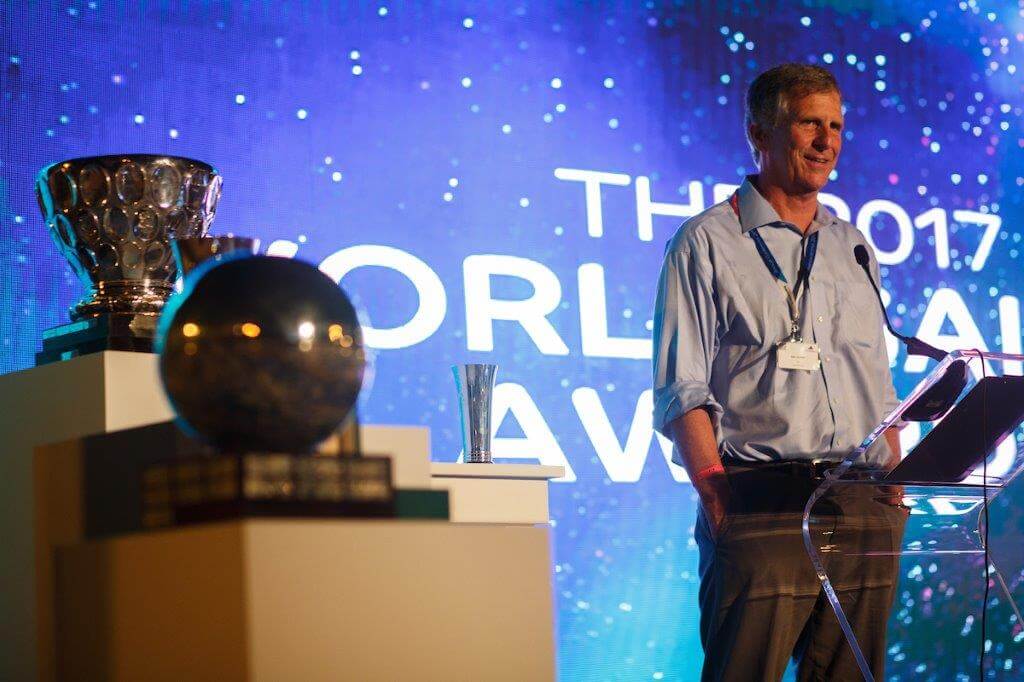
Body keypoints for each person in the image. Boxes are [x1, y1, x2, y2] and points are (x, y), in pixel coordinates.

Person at [652, 63, 905, 681]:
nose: (826, 141)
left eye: (836, 126)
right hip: (762, 503)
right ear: (759, 133)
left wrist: (894, 485)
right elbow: (682, 386)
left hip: (862, 504)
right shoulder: (706, 241)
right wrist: (718, 497)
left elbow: (876, 381)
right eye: (809, 124)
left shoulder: (853, 246)